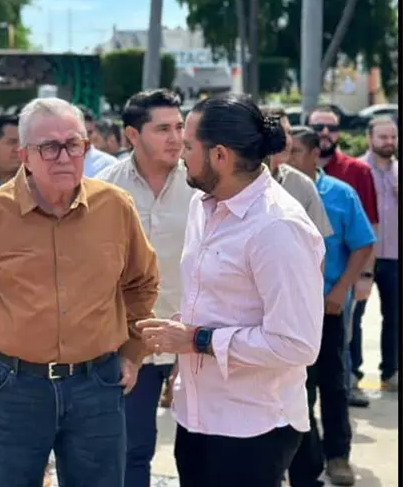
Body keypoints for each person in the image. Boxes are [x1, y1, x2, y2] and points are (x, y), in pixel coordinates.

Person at [0, 98, 160, 487]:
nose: (63, 156)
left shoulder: (114, 207)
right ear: (25, 155)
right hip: (11, 388)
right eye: (49, 147)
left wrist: (132, 352)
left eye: (73, 144)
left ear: (86, 147)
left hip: (97, 384)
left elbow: (142, 282)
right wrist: (0, 341)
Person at [139, 94, 325, 487]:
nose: (180, 155)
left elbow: (297, 344)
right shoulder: (202, 206)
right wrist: (183, 341)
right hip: (198, 414)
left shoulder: (277, 228)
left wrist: (198, 339)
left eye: (188, 146)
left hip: (253, 426)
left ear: (219, 155)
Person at [97, 89, 193, 487]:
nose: (175, 138)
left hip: (195, 338)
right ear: (132, 136)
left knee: (200, 451)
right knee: (131, 449)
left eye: (179, 127)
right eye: (162, 129)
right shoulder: (103, 190)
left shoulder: (204, 185)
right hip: (129, 342)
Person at [285, 126, 376, 487]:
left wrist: (340, 291)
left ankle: (338, 455)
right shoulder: (273, 191)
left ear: (312, 155)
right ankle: (306, 461)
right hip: (290, 309)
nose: (286, 158)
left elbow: (363, 244)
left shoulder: (339, 194)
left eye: (294, 152)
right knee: (297, 389)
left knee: (333, 385)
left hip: (329, 309)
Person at [309, 107, 380, 408]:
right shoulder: (284, 178)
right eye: (318, 127)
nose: (326, 133)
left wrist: (365, 277)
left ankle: (349, 386)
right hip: (300, 295)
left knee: (343, 346)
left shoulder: (355, 173)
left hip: (339, 284)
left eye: (332, 127)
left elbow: (370, 227)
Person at [354, 116, 398, 392]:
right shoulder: (357, 170)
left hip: (395, 257)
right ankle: (353, 372)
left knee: (394, 317)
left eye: (393, 137)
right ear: (370, 138)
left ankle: (391, 372)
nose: (389, 142)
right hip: (361, 257)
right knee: (354, 316)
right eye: (383, 137)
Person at [262, 107, 334, 238]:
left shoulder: (303, 184)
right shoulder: (237, 180)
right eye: (280, 132)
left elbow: (317, 243)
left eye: (289, 132)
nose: (288, 140)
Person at [80, 105, 120, 176]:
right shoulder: (59, 161)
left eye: (90, 132)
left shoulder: (109, 164)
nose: (86, 137)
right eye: (81, 133)